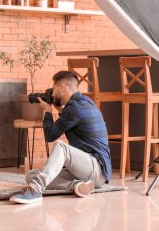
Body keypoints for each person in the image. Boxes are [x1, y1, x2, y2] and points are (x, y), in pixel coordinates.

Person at [10, 71, 112, 204]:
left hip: (96, 168)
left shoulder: (75, 107)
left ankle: (35, 190)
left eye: (54, 90)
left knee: (61, 146)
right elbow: (68, 120)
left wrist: (47, 111)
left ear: (62, 87)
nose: (52, 95)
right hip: (88, 172)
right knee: (31, 175)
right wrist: (59, 110)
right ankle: (77, 186)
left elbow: (50, 135)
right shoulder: (84, 102)